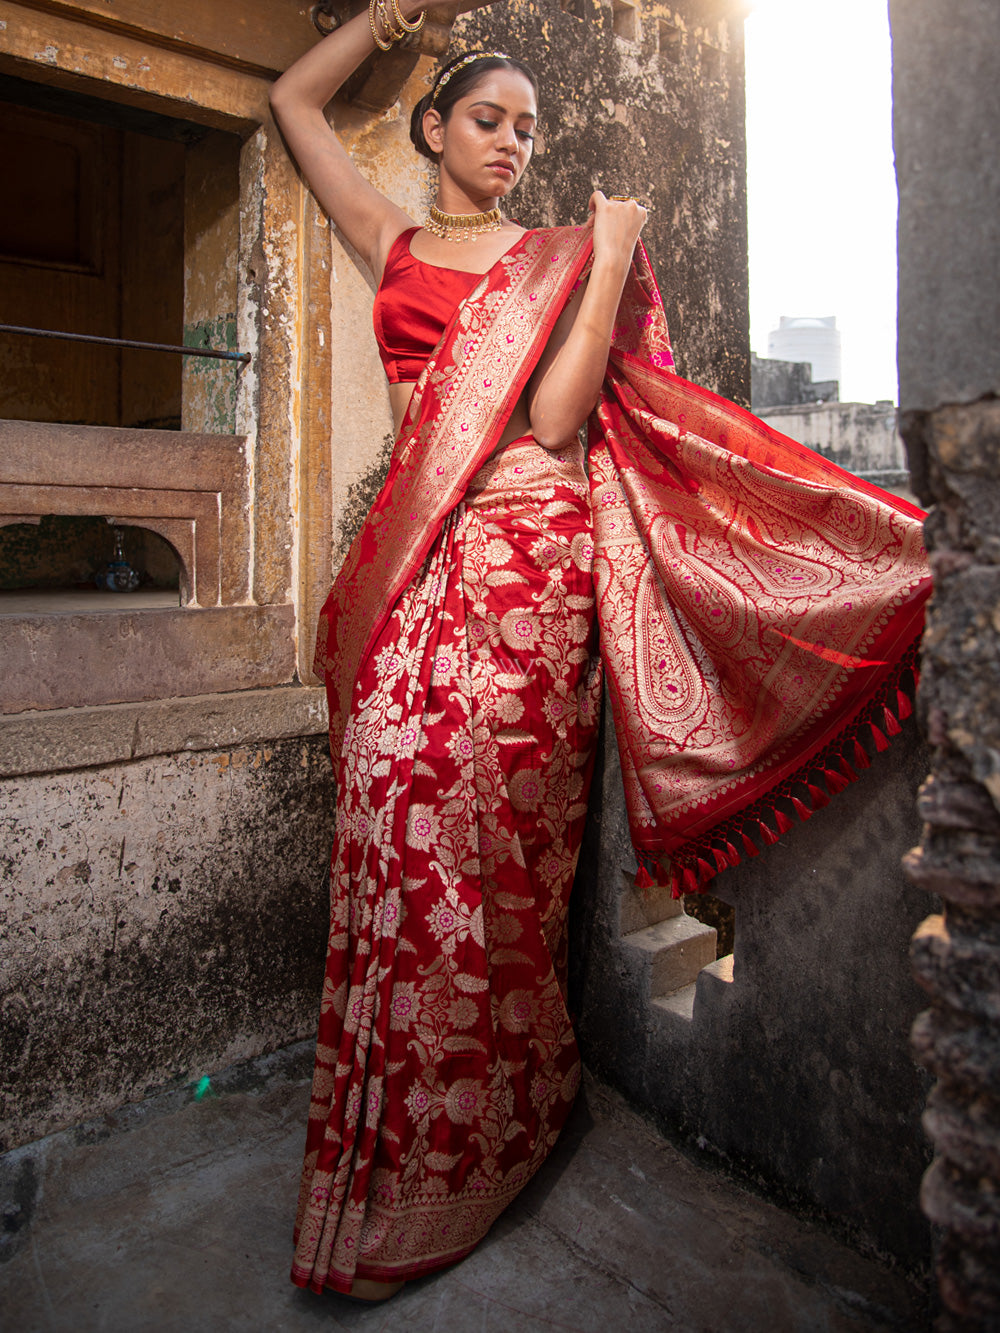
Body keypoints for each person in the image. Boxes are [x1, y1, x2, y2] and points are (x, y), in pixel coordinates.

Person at [270, 2, 931, 1303]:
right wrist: (378, 20)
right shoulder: (392, 240)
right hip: (422, 561)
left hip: (534, 562)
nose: (513, 141)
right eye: (486, 119)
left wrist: (615, 253)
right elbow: (292, 106)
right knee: (389, 807)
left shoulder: (563, 255)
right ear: (433, 127)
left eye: (527, 125)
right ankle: (390, 1141)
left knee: (487, 831)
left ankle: (494, 1116)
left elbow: (564, 415)